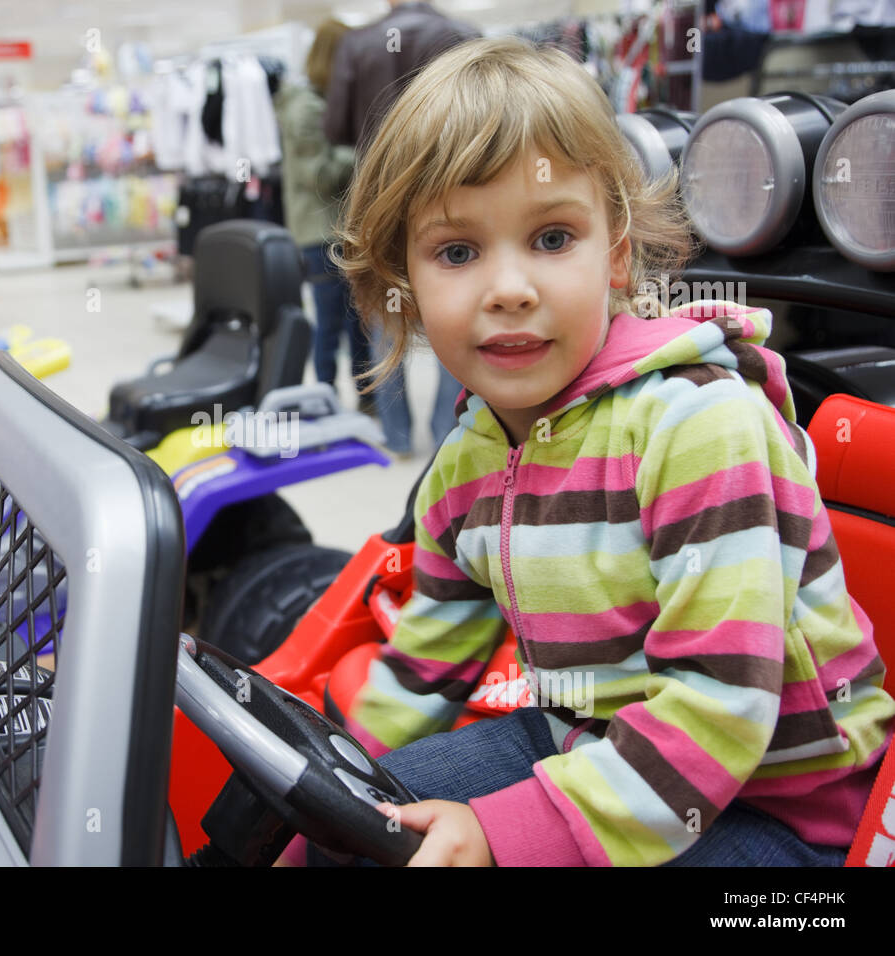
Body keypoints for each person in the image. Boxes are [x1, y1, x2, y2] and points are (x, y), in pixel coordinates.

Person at [323, 36, 894, 866]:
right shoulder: (467, 460)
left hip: (782, 803)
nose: (510, 287)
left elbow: (723, 704)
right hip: (589, 738)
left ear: (616, 256)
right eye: (457, 251)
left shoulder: (695, 427)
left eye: (552, 239)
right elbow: (429, 654)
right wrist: (330, 764)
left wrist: (503, 833)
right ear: (401, 286)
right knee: (362, 824)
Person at [324, 1, 481, 457]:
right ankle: (446, 438)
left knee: (385, 319)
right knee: (455, 315)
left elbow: (334, 127)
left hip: (380, 199)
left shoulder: (356, 44)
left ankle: (395, 438)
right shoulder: (463, 34)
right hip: (452, 196)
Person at [274, 19, 373, 414]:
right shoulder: (306, 108)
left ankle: (361, 399)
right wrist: (365, 150)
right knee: (332, 325)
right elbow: (317, 175)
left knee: (354, 324)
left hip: (333, 230)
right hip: (321, 234)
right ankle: (324, 404)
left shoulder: (321, 101)